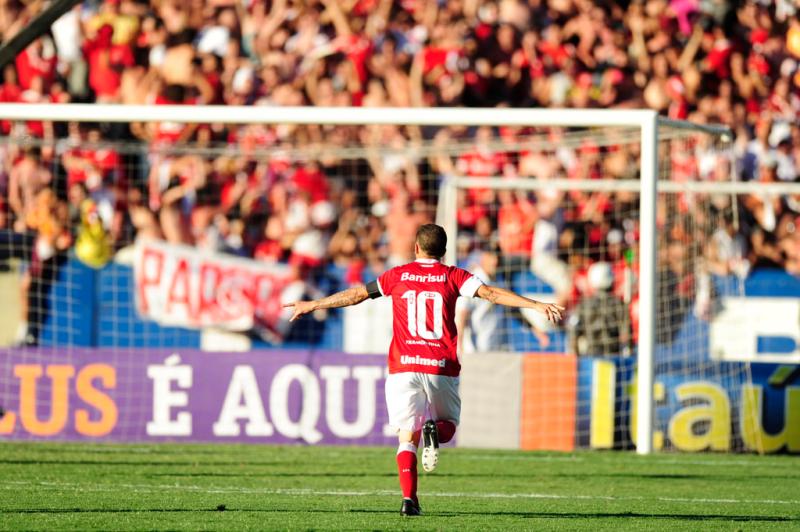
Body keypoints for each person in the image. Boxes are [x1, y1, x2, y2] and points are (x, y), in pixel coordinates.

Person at [285, 223, 564, 517]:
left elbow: (356, 295)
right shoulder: (453, 275)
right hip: (440, 366)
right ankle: (434, 429)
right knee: (447, 429)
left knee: (407, 437)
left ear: (416, 248)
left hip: (404, 366)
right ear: (443, 251)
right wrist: (535, 304)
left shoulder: (397, 275)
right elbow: (492, 294)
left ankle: (409, 500)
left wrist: (314, 304)